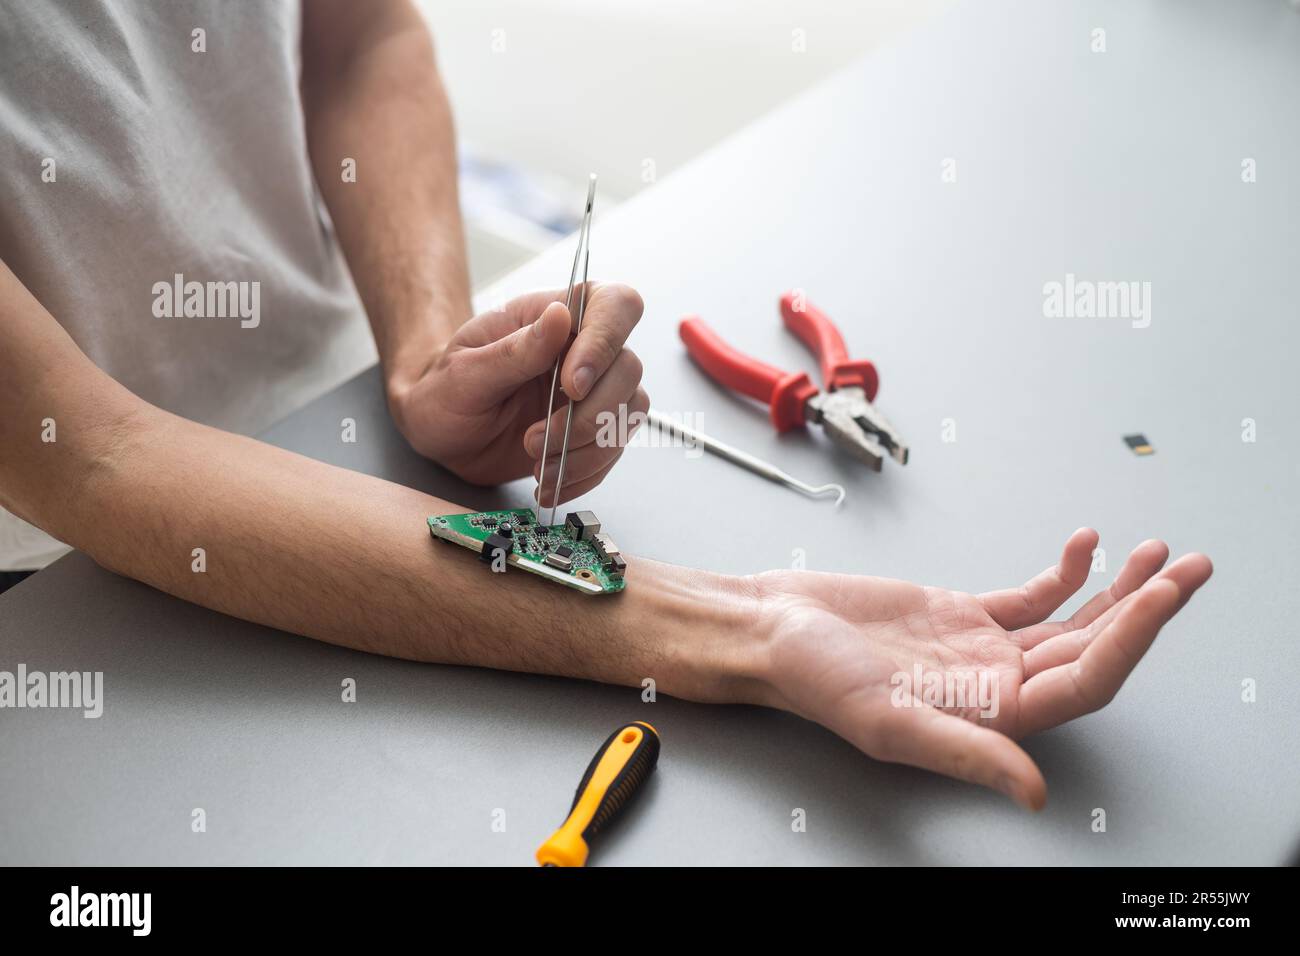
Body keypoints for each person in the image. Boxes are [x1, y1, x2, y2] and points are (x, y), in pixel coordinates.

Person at [0, 0, 1211, 809]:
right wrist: (737, 627)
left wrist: (423, 351)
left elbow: (360, 38)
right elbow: (93, 457)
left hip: (340, 401)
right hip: (59, 582)